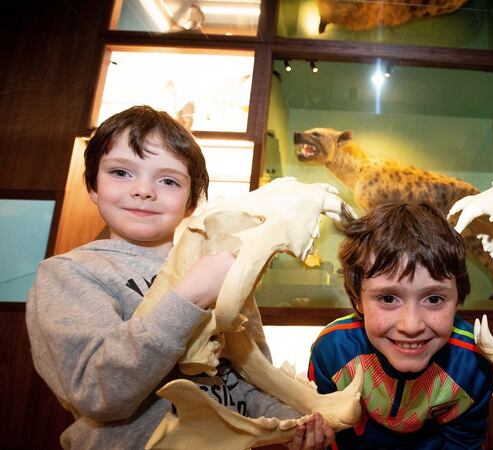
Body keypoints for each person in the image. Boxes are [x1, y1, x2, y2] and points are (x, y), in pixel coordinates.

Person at [26, 105, 332, 449]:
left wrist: (290, 422)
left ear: (192, 201)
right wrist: (189, 297)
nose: (143, 190)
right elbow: (99, 392)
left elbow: (243, 376)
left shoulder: (217, 269)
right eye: (121, 173)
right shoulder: (69, 274)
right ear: (93, 185)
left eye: (168, 180)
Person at [308, 202, 493, 449]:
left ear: (458, 299)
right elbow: (337, 438)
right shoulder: (332, 351)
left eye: (434, 299)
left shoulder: (472, 362)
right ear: (358, 300)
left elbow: (462, 443)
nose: (411, 325)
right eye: (388, 299)